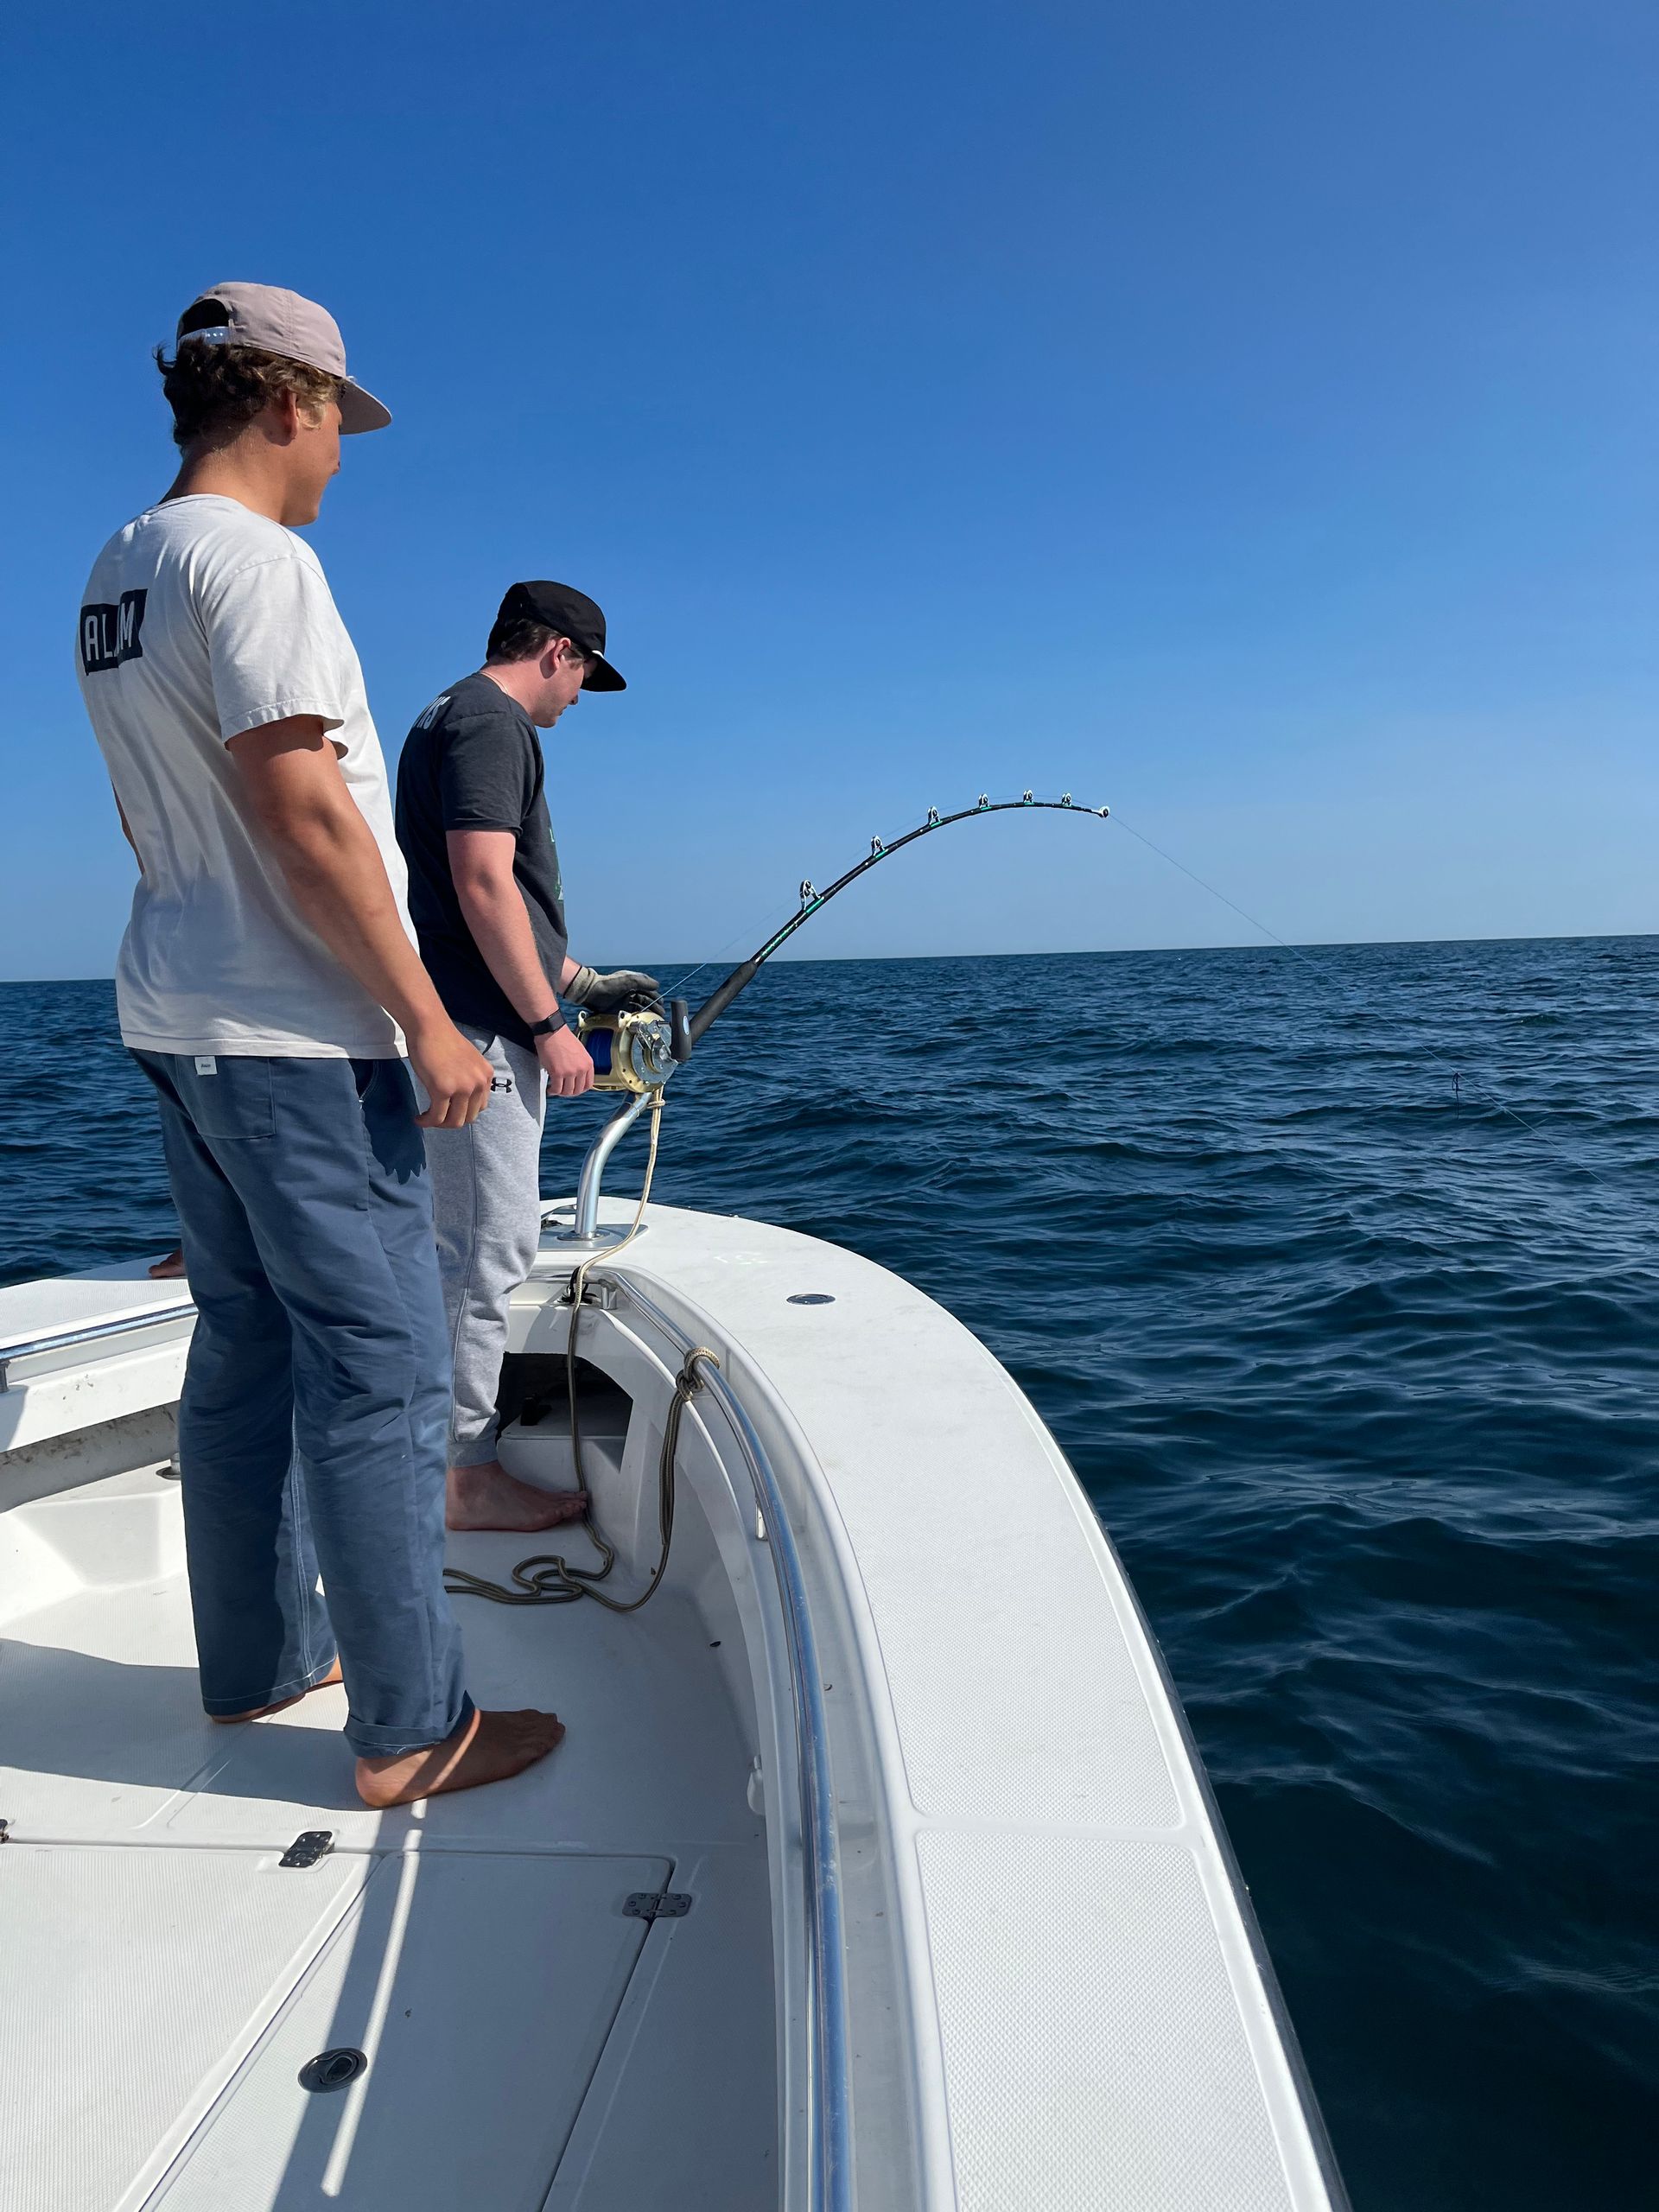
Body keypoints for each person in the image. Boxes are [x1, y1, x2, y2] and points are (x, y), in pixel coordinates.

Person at [76, 282, 565, 1808]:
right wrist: (429, 1020)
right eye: (341, 424)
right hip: (297, 1034)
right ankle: (415, 1726)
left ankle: (264, 1660)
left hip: (177, 1012)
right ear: (287, 400)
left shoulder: (120, 568)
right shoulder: (261, 564)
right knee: (386, 1368)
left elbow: (155, 807)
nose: (345, 457)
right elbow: (306, 812)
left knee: (246, 1348)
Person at [394, 583, 657, 1529]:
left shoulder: (445, 716)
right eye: (585, 672)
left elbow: (493, 900)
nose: (580, 696)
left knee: (459, 1246)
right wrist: (550, 1022)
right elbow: (480, 879)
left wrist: (583, 983)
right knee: (483, 1253)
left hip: (473, 1014)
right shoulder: (493, 722)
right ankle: (463, 1476)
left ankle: (440, 1453)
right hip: (483, 1031)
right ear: (556, 650)